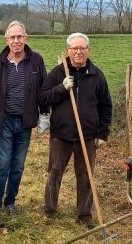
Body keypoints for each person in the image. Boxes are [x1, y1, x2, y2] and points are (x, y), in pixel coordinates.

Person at [39, 32, 113, 230]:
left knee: (86, 176)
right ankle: (50, 210)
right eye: (74, 48)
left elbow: (106, 106)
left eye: (82, 48)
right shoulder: (57, 72)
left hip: (87, 137)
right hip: (61, 135)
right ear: (68, 51)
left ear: (88, 50)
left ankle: (84, 214)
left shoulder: (96, 75)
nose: (78, 52)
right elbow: (43, 98)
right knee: (54, 173)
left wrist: (102, 133)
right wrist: (61, 88)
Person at [0, 21, 48, 227]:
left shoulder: (36, 60)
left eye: (20, 37)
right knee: (2, 164)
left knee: (18, 166)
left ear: (26, 38)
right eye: (12, 37)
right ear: (6, 40)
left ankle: (10, 202)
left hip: (26, 121)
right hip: (6, 120)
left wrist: (44, 115)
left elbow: (44, 91)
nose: (16, 41)